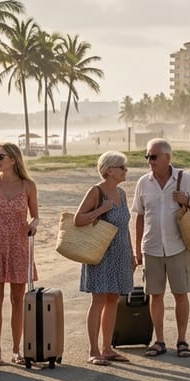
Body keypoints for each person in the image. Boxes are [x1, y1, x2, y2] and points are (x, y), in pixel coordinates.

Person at [131, 138, 190, 358]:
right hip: (151, 247)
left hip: (178, 247)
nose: (149, 161)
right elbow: (139, 216)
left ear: (167, 158)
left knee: (180, 294)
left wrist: (187, 201)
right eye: (147, 156)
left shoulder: (185, 179)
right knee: (155, 295)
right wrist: (137, 249)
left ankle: (182, 340)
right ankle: (159, 341)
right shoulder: (143, 183)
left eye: (153, 156)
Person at [0, 141, 40, 365]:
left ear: (13, 159)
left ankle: (16, 350)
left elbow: (36, 216)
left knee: (17, 299)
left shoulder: (28, 185)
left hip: (19, 244)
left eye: (1, 156)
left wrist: (34, 225)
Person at [73, 151, 135, 366]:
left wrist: (132, 254)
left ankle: (107, 348)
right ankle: (93, 350)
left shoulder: (122, 193)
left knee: (113, 300)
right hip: (100, 253)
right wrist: (100, 210)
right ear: (109, 170)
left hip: (120, 253)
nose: (125, 170)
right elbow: (78, 220)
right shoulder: (96, 191)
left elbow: (124, 227)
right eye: (122, 167)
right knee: (98, 300)